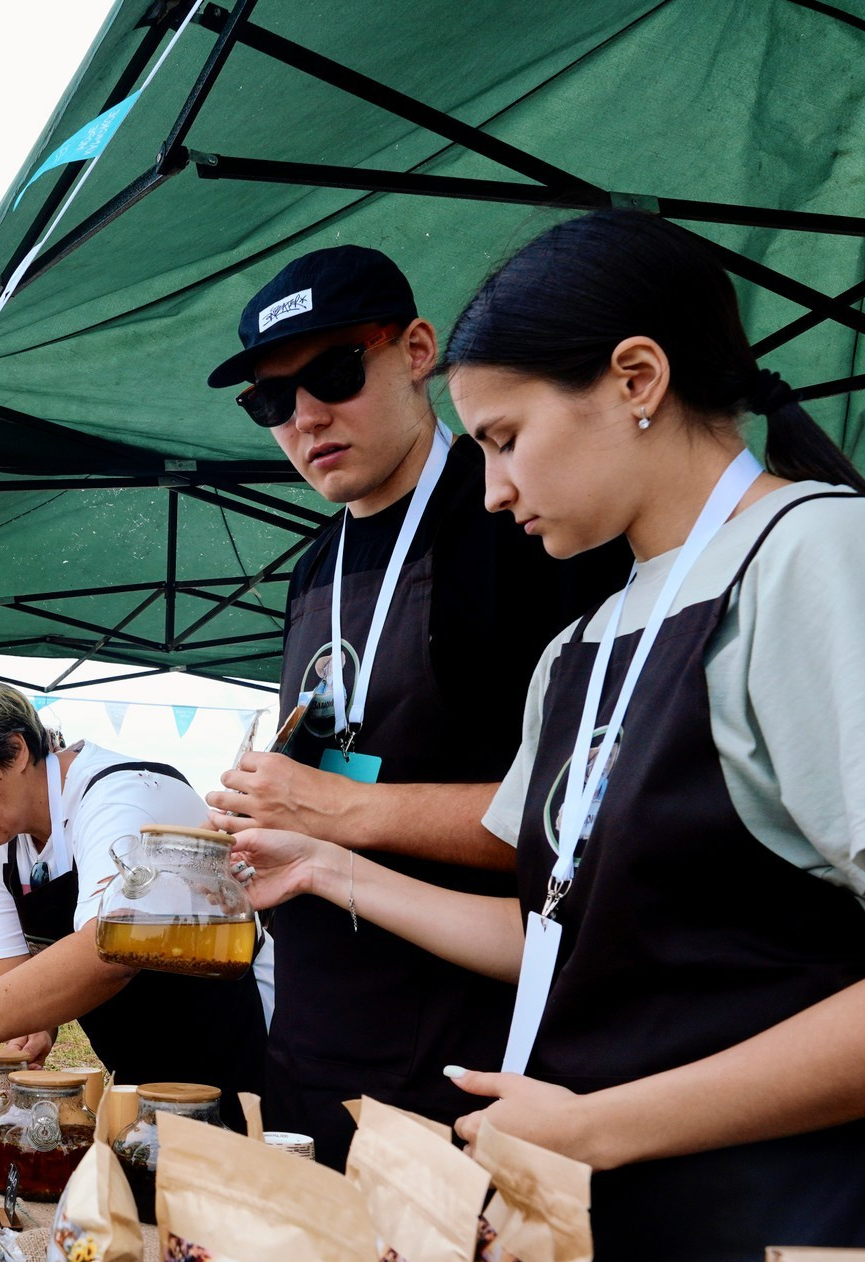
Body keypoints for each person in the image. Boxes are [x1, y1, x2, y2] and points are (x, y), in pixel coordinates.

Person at [228, 210, 865, 1262]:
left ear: (635, 379)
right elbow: (568, 941)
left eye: (506, 440)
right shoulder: (591, 637)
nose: (490, 491)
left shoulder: (826, 560)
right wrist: (330, 869)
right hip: (621, 1254)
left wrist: (603, 1125)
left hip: (805, 1250)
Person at [200, 245, 626, 1170]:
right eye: (273, 402)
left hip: (467, 1052)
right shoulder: (315, 565)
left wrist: (334, 810)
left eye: (334, 374)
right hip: (314, 1035)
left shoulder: (526, 528)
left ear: (418, 350)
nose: (306, 417)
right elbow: (324, 761)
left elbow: (576, 829)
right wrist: (261, 806)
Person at [0, 673, 266, 1152]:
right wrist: (27, 1031)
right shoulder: (1, 844)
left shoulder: (118, 797)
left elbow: (109, 952)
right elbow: (17, 973)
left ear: (17, 749)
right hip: (145, 1073)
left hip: (245, 1054)